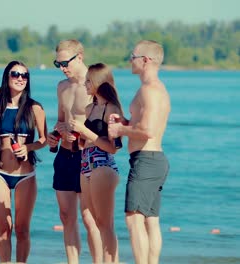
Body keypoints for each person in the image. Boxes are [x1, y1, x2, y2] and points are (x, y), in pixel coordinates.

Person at [0, 61, 47, 263]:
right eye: (15, 74)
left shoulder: (34, 108)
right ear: (7, 77)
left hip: (25, 175)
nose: (20, 78)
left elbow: (44, 139)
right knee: (3, 228)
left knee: (22, 229)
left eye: (24, 75)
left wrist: (28, 148)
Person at [108, 40, 170, 264]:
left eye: (132, 56)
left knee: (134, 220)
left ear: (145, 60)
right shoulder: (153, 88)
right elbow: (143, 124)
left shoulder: (149, 90)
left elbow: (148, 131)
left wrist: (119, 129)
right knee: (150, 220)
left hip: (146, 160)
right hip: (153, 160)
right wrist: (126, 121)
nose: (129, 60)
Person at [46, 39, 97, 263]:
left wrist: (79, 133)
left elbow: (105, 127)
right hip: (64, 156)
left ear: (80, 57)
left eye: (66, 63)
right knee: (66, 216)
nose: (63, 68)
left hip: (88, 156)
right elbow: (60, 120)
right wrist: (54, 135)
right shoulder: (62, 86)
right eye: (58, 64)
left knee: (89, 217)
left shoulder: (96, 84)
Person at [69, 63, 123, 263]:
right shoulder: (89, 108)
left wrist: (85, 132)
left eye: (88, 81)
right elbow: (85, 142)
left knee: (106, 223)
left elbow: (114, 147)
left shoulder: (113, 109)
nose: (85, 84)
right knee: (97, 221)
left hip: (103, 165)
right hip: (86, 163)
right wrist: (74, 136)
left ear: (99, 82)